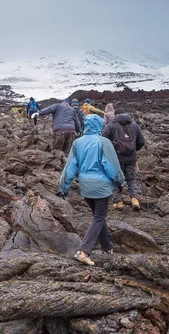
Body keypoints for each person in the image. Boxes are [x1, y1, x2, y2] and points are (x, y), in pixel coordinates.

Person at [60, 115, 124, 266]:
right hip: (101, 186)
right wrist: (119, 181)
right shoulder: (104, 142)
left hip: (85, 186)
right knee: (99, 217)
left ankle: (108, 248)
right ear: (99, 125)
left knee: (98, 217)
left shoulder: (77, 143)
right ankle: (83, 251)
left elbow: (70, 167)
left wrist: (64, 187)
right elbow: (111, 166)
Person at [102, 107, 145, 211]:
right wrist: (134, 149)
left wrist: (109, 153)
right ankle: (135, 199)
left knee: (115, 179)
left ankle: (118, 202)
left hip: (116, 159)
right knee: (131, 179)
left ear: (115, 115)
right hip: (131, 158)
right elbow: (141, 141)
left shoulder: (111, 126)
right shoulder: (134, 125)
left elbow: (103, 140)